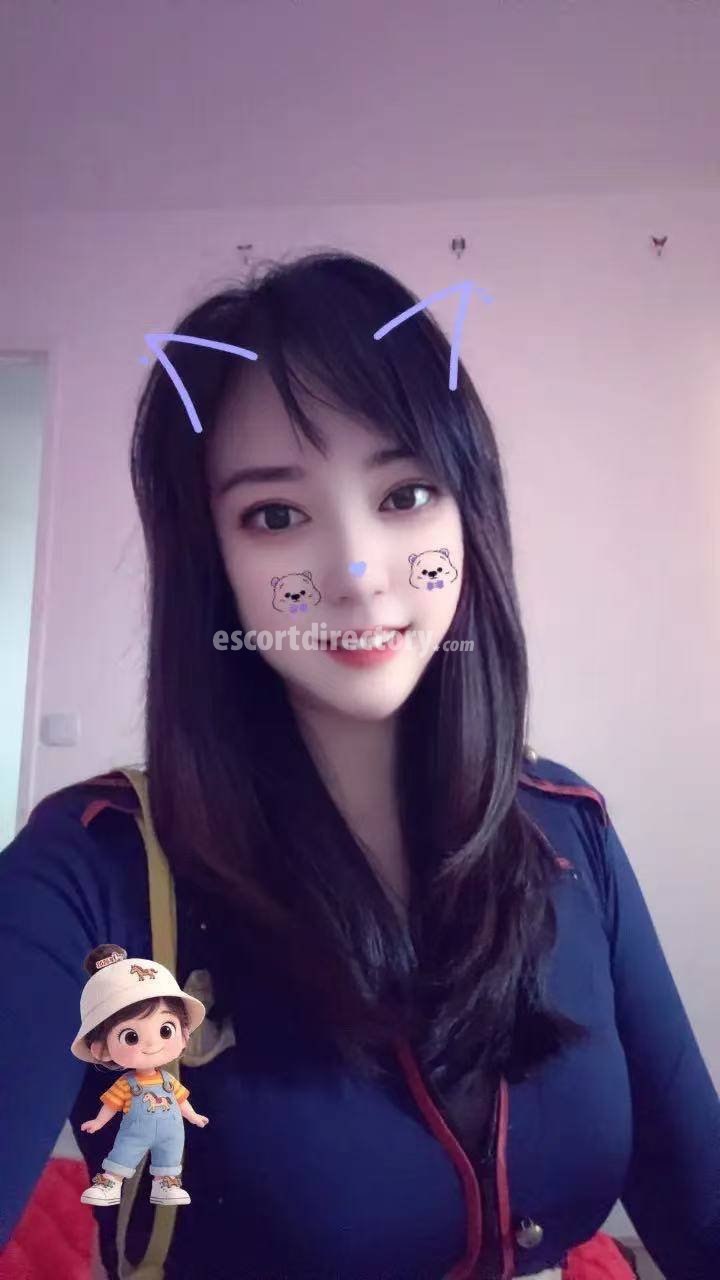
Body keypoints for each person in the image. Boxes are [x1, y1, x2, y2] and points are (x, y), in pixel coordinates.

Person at [0, 249, 718, 1280]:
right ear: (213, 563)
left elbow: (698, 1201)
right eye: (276, 515)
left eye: (407, 492)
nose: (357, 573)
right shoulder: (88, 873)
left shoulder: (567, 828)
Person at [71, 943, 209, 1208]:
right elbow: (111, 1104)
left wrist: (193, 1116)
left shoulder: (168, 1082)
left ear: (184, 1034)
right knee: (123, 1153)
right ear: (101, 1050)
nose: (152, 1044)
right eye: (131, 1036)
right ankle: (111, 1182)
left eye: (166, 1030)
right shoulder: (127, 1083)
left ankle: (166, 1182)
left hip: (171, 1131)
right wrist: (99, 1122)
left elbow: (181, 1101)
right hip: (135, 1132)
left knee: (170, 1155)